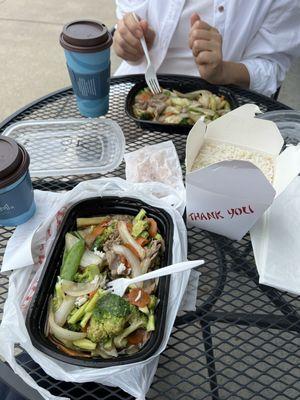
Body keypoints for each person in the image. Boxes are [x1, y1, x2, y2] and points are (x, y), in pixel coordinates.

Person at [113, 0, 300, 97]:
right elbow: (127, 13)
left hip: (221, 105)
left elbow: (272, 66)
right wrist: (130, 41)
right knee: (90, 146)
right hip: (136, 86)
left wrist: (224, 71)